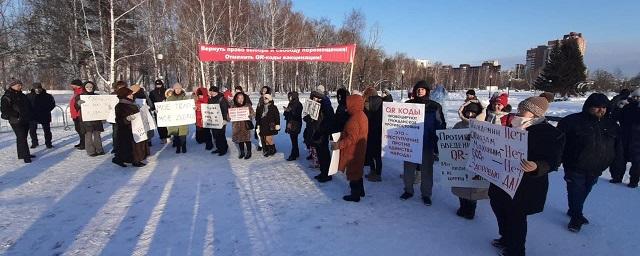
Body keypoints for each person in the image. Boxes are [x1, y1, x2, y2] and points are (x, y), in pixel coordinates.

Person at [489, 96, 565, 256]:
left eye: (523, 110)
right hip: (502, 179)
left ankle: (516, 250)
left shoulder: (550, 133)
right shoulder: (511, 125)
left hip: (526, 185)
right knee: (499, 208)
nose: (518, 112)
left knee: (516, 217)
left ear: (534, 113)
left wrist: (537, 166)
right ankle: (506, 238)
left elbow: (553, 160)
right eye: (519, 109)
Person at [557, 93, 621, 232]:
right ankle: (576, 217)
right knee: (575, 190)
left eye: (604, 107)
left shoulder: (611, 124)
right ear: (588, 107)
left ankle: (574, 209)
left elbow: (617, 146)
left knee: (586, 189)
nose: (601, 110)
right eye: (597, 107)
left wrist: (615, 166)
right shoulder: (572, 121)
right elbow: (558, 143)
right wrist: (556, 161)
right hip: (575, 165)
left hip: (597, 166)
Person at [400, 81, 446, 206]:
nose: (420, 91)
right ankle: (408, 190)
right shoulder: (408, 105)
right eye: (418, 89)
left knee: (427, 171)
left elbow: (440, 125)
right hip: (410, 143)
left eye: (423, 89)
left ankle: (426, 194)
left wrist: (438, 143)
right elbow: (398, 121)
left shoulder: (435, 106)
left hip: (427, 143)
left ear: (427, 91)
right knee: (408, 169)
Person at [451, 100, 487, 220]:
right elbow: (450, 141)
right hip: (460, 161)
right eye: (468, 112)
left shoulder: (485, 127)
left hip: (476, 163)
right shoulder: (458, 125)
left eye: (473, 113)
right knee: (461, 186)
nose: (470, 115)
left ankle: (470, 210)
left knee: (472, 189)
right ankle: (462, 207)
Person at [331, 94, 368, 202]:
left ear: (353, 104)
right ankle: (361, 191)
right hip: (360, 149)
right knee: (358, 171)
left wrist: (338, 145)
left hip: (353, 151)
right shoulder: (362, 115)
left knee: (353, 173)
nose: (346, 107)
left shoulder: (355, 119)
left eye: (348, 104)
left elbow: (351, 139)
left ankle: (355, 195)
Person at [112, 87, 149, 167]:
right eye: (129, 94)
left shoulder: (134, 103)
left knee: (136, 145)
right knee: (128, 146)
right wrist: (127, 119)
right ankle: (125, 160)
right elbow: (119, 120)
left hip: (136, 127)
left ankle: (135, 160)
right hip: (126, 130)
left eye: (131, 94)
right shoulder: (120, 106)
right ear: (124, 95)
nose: (132, 95)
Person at [1, 80, 35, 163]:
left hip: (25, 119)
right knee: (22, 138)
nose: (20, 87)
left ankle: (21, 154)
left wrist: (30, 114)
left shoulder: (22, 95)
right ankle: (26, 156)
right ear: (12, 86)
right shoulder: (7, 96)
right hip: (15, 121)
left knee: (22, 138)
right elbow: (4, 109)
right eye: (18, 85)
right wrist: (15, 114)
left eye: (21, 85)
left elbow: (28, 106)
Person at [309, 89, 336, 183]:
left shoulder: (326, 106)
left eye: (316, 97)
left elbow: (329, 121)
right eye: (313, 97)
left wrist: (321, 131)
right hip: (317, 131)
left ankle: (327, 174)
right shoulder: (316, 105)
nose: (315, 99)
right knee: (320, 154)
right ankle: (323, 172)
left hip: (322, 133)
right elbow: (313, 119)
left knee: (324, 154)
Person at [616, 88, 640, 188]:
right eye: (635, 97)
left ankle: (633, 181)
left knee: (637, 162)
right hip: (624, 135)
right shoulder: (626, 106)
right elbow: (617, 117)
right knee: (620, 159)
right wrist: (619, 106)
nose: (636, 99)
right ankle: (617, 177)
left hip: (637, 138)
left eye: (638, 97)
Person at [76, 81, 105, 157]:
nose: (89, 88)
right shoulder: (80, 96)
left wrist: (103, 116)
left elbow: (102, 106)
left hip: (96, 118)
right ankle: (90, 151)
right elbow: (76, 106)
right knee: (88, 136)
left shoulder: (97, 96)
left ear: (93, 88)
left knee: (97, 135)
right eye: (87, 87)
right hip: (86, 119)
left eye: (91, 87)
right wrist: (78, 103)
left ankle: (99, 149)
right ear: (84, 88)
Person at [362, 87, 384, 182]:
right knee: (378, 155)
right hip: (379, 132)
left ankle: (372, 171)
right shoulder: (383, 103)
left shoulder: (366, 103)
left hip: (369, 131)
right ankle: (378, 174)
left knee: (370, 154)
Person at [27, 82, 55, 149]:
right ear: (33, 89)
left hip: (44, 115)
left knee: (47, 131)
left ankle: (48, 143)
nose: (37, 90)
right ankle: (34, 143)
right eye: (36, 88)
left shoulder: (48, 96)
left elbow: (52, 104)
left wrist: (46, 110)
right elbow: (26, 105)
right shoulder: (28, 96)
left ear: (41, 88)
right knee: (32, 131)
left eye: (39, 88)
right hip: (33, 116)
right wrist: (29, 112)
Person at [166, 83, 189, 154]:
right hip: (174, 120)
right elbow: (166, 108)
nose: (178, 90)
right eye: (176, 89)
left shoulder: (185, 97)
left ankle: (184, 146)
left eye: (179, 88)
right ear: (174, 89)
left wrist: (192, 108)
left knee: (183, 134)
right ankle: (178, 147)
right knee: (176, 135)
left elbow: (188, 106)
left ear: (181, 89)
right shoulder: (170, 98)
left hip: (183, 119)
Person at [231, 92, 255, 159]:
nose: (240, 99)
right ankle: (242, 152)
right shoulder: (233, 106)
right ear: (236, 99)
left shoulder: (248, 105)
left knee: (247, 140)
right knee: (240, 140)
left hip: (245, 126)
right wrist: (229, 117)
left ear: (244, 98)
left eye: (242, 98)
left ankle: (249, 152)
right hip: (237, 126)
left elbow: (253, 114)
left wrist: (250, 116)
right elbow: (229, 115)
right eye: (239, 98)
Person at [209, 86, 230, 156]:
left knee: (221, 135)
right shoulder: (210, 99)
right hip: (213, 120)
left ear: (216, 92)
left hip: (221, 120)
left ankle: (223, 149)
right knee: (215, 135)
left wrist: (225, 119)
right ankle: (218, 148)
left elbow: (225, 110)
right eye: (210, 91)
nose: (212, 92)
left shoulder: (222, 99)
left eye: (213, 91)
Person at [284, 91, 303, 161]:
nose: (289, 98)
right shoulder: (291, 103)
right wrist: (286, 111)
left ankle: (293, 155)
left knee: (294, 140)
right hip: (290, 123)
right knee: (293, 140)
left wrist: (290, 111)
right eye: (288, 97)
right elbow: (286, 114)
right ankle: (296, 153)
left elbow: (297, 115)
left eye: (290, 97)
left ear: (294, 97)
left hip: (296, 124)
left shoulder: (299, 104)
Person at [149, 79, 169, 144]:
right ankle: (162, 137)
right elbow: (150, 101)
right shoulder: (152, 93)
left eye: (160, 84)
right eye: (157, 85)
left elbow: (170, 98)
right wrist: (152, 108)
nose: (158, 86)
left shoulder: (166, 91)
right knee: (160, 124)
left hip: (166, 110)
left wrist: (166, 101)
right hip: (157, 110)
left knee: (167, 123)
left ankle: (168, 136)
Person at [110, 81, 128, 154]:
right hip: (115, 117)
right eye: (119, 87)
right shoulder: (113, 95)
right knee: (115, 133)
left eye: (123, 87)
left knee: (125, 133)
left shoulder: (128, 94)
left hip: (125, 117)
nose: (121, 88)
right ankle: (115, 147)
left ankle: (125, 147)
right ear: (116, 88)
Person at [69, 79, 86, 149]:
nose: (71, 86)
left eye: (72, 85)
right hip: (75, 114)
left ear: (77, 85)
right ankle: (81, 142)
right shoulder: (76, 92)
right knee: (78, 129)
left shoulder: (81, 92)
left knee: (81, 129)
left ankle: (83, 143)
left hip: (79, 114)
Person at [255, 86, 272, 151]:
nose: (263, 91)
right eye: (263, 90)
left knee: (266, 133)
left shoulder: (269, 98)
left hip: (266, 118)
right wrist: (257, 115)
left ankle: (268, 145)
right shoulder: (260, 98)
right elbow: (258, 107)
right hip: (259, 117)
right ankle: (261, 144)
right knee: (258, 131)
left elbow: (270, 107)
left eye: (265, 90)